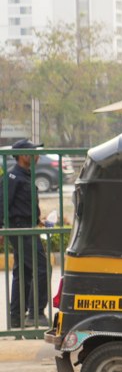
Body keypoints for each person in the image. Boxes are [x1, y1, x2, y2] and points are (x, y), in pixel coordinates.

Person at [6, 140, 51, 326]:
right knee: (42, 268)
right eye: (33, 152)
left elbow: (22, 204)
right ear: (23, 156)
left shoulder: (25, 175)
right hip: (20, 229)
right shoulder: (13, 177)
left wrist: (37, 220)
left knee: (23, 272)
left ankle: (16, 317)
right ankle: (35, 314)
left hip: (27, 226)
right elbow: (3, 203)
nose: (37, 156)